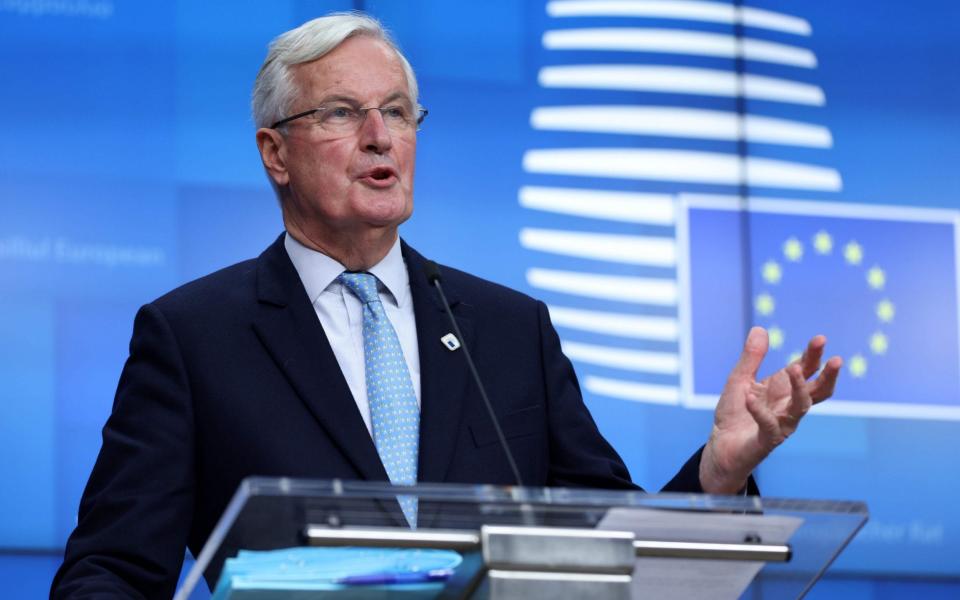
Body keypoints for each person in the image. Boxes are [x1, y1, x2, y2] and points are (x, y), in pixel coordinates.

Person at [51, 12, 841, 598]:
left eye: (396, 111)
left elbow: (613, 546)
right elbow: (112, 569)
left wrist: (718, 473)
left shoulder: (508, 330)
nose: (378, 136)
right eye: (340, 113)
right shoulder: (194, 336)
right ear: (274, 153)